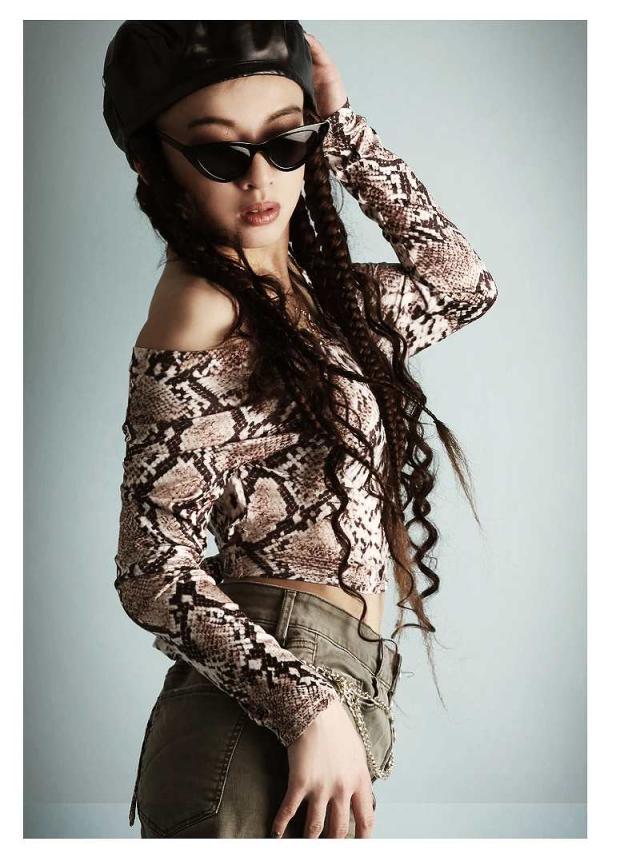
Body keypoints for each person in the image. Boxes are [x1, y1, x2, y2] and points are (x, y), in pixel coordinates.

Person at [102, 21, 498, 839]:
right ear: (152, 162)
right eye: (220, 154)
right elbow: (150, 569)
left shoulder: (318, 299)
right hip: (271, 700)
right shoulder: (202, 304)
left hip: (326, 686)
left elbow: (462, 284)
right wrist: (307, 706)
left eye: (286, 143)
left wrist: (342, 125)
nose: (261, 178)